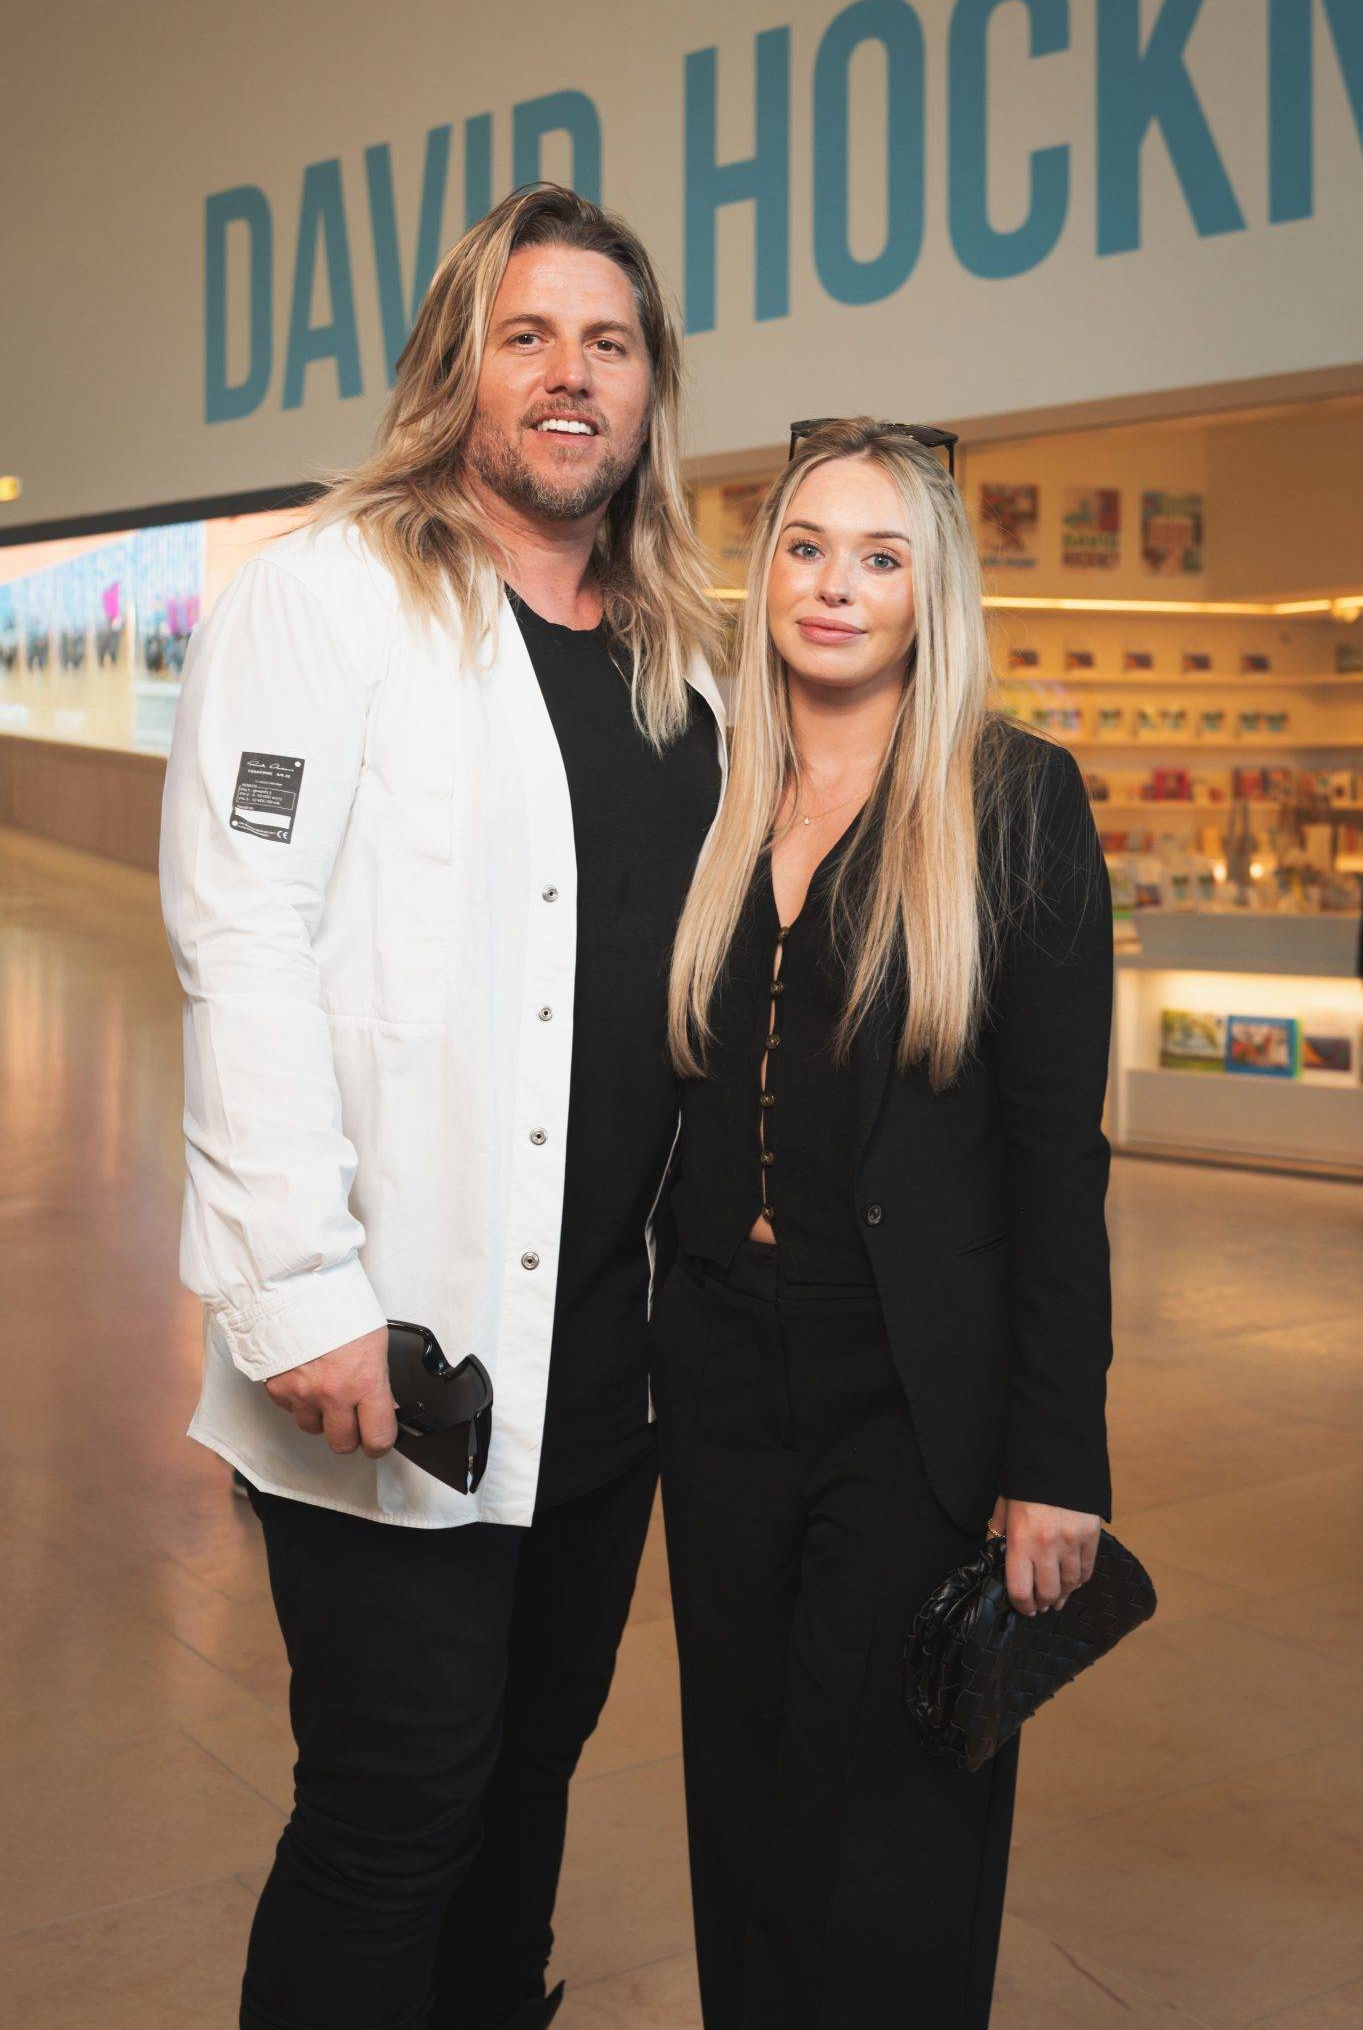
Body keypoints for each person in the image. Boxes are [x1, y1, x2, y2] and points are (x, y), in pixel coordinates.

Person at [159, 183, 725, 2030]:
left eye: (611, 344)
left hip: (610, 1364)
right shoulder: (328, 595)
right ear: (458, 364)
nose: (573, 377)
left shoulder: (682, 661)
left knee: (529, 1786)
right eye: (530, 335)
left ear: (649, 392)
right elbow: (238, 942)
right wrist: (302, 1286)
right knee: (397, 1801)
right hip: (395, 1345)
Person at [654, 417, 1114, 2028]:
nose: (832, 587)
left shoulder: (1014, 804)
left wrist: (1056, 1459)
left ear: (935, 594)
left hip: (910, 1393)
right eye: (802, 547)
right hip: (716, 1372)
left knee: (894, 1829)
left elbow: (1060, 1158)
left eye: (879, 557)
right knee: (744, 1798)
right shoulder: (708, 784)